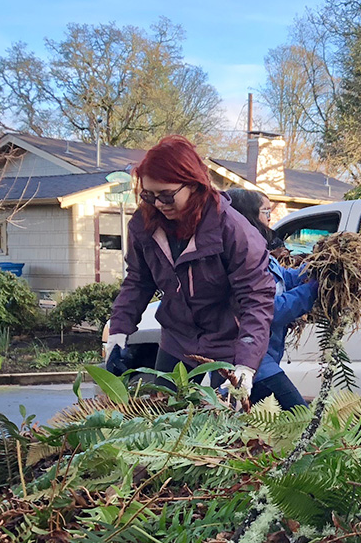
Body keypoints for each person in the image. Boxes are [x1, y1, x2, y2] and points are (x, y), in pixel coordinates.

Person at [106, 136, 274, 396]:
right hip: (177, 342)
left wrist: (246, 365)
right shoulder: (144, 225)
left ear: (194, 185)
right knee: (165, 422)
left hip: (231, 343)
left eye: (167, 195)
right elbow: (138, 281)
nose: (159, 204)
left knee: (255, 424)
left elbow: (256, 297)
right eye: (149, 196)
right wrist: (118, 331)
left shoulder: (232, 229)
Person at [226, 188, 314, 410]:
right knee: (299, 417)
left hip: (264, 359)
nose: (270, 220)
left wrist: (318, 268)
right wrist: (314, 290)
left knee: (254, 430)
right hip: (250, 360)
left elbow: (286, 278)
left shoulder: (260, 253)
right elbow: (269, 309)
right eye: (266, 212)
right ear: (246, 216)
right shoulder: (240, 257)